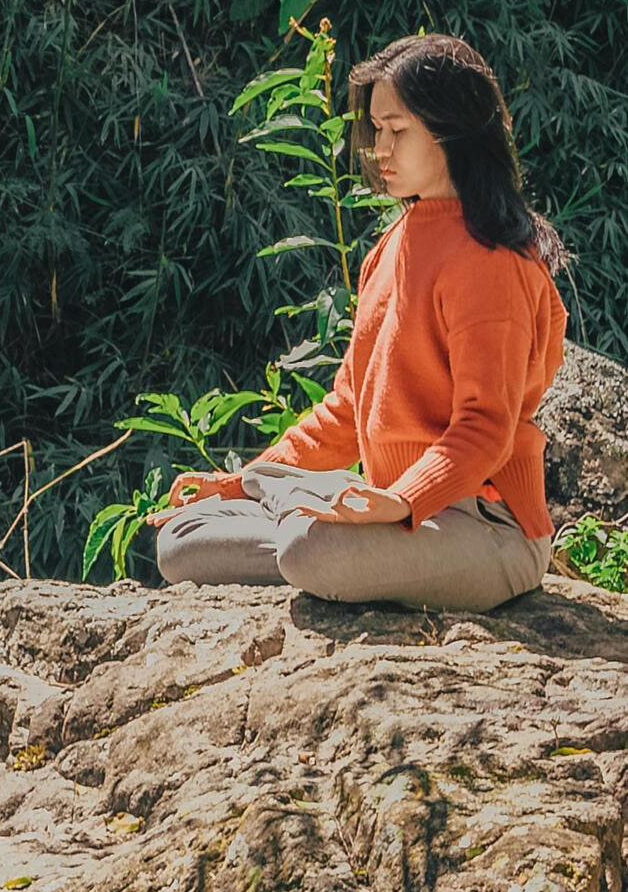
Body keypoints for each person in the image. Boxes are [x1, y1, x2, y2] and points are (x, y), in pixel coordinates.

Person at [152, 32, 569, 613]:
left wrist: (399, 501)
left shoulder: (489, 262)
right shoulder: (394, 244)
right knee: (181, 539)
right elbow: (346, 411)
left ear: (450, 131)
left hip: (489, 527)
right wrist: (242, 479)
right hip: (388, 510)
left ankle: (322, 541)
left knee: (307, 548)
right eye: (375, 130)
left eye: (397, 131)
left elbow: (485, 428)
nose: (379, 149)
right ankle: (316, 532)